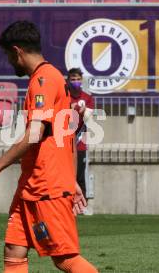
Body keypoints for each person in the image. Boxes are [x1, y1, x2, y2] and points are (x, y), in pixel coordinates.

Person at [0, 21, 98, 273]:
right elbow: (67, 135)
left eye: (10, 55)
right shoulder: (50, 78)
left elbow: (34, 134)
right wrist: (72, 179)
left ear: (18, 51)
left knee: (64, 258)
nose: (10, 62)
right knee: (14, 249)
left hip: (47, 185)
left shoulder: (43, 80)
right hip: (32, 184)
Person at [67, 68, 94, 212]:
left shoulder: (87, 97)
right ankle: (67, 205)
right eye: (73, 79)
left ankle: (82, 206)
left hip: (80, 143)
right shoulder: (65, 96)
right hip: (64, 142)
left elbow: (89, 117)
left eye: (78, 79)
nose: (76, 82)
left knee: (80, 176)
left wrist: (82, 111)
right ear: (68, 80)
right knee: (66, 175)